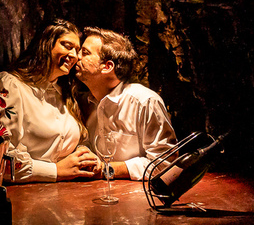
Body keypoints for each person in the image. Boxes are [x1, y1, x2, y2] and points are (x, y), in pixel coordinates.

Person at [0, 19, 100, 182]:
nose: (74, 55)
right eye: (67, 46)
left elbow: (71, 140)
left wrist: (83, 153)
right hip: (23, 196)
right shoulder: (9, 84)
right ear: (46, 44)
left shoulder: (64, 92)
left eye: (77, 50)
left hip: (68, 194)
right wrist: (55, 171)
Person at [74, 26, 178, 181]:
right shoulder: (84, 101)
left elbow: (165, 164)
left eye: (85, 53)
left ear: (107, 67)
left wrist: (108, 169)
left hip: (137, 199)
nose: (76, 57)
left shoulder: (144, 101)